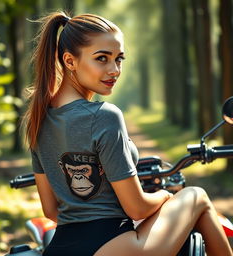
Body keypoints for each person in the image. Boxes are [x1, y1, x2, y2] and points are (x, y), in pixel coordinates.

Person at [23, 11, 233, 256]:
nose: (114, 70)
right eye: (102, 58)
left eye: (119, 59)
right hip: (114, 246)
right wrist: (165, 196)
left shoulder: (38, 120)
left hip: (61, 248)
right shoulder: (104, 115)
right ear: (69, 61)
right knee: (196, 196)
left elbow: (51, 211)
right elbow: (136, 208)